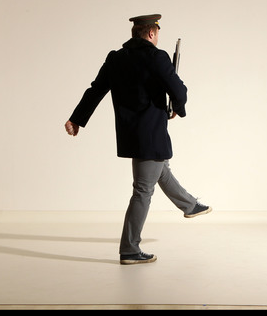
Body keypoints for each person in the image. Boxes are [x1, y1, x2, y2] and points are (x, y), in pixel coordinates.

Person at [64, 14, 211, 265]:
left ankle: (189, 205)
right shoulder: (157, 56)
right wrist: (178, 107)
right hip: (151, 133)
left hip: (130, 132)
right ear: (152, 33)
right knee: (143, 190)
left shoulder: (115, 58)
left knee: (160, 169)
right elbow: (178, 90)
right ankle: (130, 249)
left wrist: (76, 118)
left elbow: (96, 89)